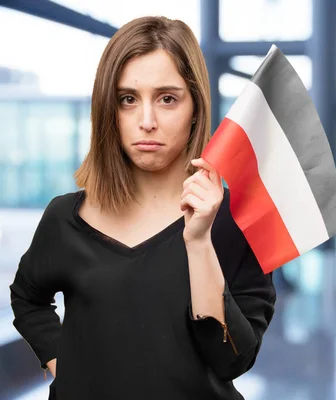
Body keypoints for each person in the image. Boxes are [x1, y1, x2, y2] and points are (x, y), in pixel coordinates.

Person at [9, 16, 276, 400]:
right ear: (108, 109)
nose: (146, 121)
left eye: (167, 98)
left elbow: (233, 359)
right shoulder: (65, 218)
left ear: (196, 108)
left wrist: (199, 241)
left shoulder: (237, 223)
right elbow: (27, 297)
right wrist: (62, 364)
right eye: (127, 99)